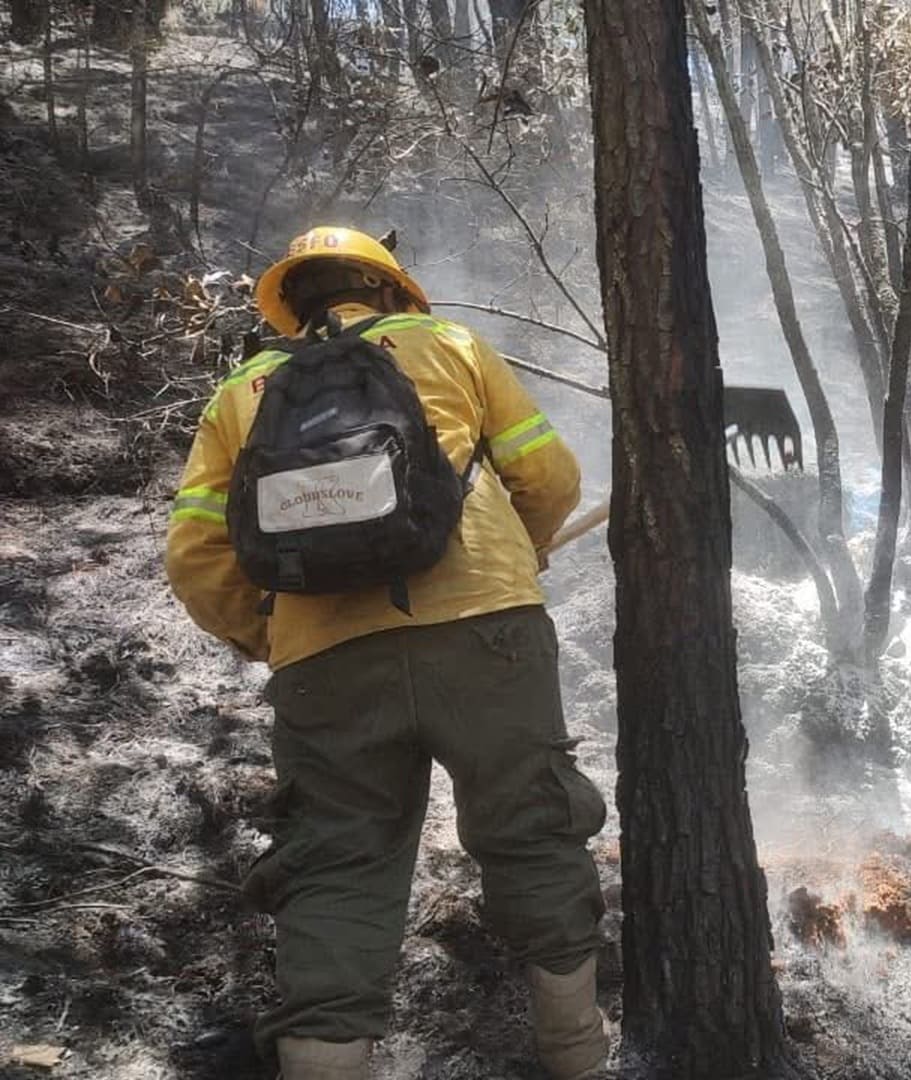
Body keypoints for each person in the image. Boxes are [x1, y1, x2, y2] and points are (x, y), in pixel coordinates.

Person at [165, 226, 608, 1080]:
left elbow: (193, 556)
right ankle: (576, 1053)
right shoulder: (448, 344)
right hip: (488, 631)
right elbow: (548, 477)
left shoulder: (244, 391)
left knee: (336, 867)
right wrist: (523, 550)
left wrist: (270, 635)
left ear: (290, 308)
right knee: (534, 831)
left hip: (324, 664)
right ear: (393, 289)